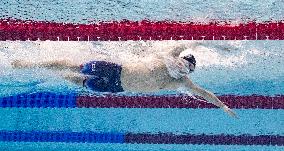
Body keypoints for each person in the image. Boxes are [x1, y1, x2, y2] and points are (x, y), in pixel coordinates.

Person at [11, 46, 237, 118]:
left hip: (115, 87)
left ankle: (50, 73)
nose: (184, 69)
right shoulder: (169, 56)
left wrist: (222, 105)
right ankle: (30, 64)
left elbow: (203, 92)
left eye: (189, 69)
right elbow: (189, 42)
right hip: (115, 69)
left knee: (76, 82)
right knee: (75, 67)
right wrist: (204, 41)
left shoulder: (180, 82)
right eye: (185, 64)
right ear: (180, 60)